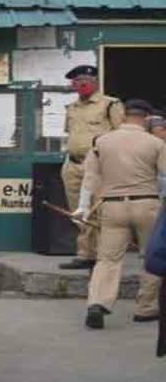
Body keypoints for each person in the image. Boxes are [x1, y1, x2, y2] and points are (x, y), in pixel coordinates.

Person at [82, 99, 165, 329]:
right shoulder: (155, 143)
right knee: (151, 256)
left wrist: (83, 207)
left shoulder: (102, 141)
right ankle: (145, 308)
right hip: (147, 204)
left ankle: (97, 303)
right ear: (147, 118)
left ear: (124, 116)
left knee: (107, 259)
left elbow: (90, 178)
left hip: (112, 205)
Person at [59, 65, 124, 270]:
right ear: (73, 84)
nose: (82, 84)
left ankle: (104, 255)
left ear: (96, 82)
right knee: (79, 212)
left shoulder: (110, 104)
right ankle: (86, 254)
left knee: (101, 210)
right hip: (73, 164)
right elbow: (69, 134)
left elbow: (121, 135)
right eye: (78, 81)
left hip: (98, 165)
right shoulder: (71, 108)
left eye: (86, 80)